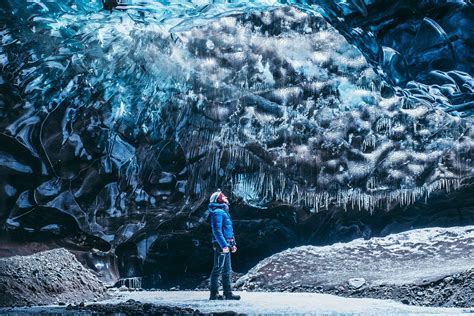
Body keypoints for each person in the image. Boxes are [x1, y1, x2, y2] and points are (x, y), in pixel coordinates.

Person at [208, 190, 241, 300]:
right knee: (217, 269)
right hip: (220, 245)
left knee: (227, 270)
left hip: (226, 245)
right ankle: (214, 294)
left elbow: (228, 231)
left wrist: (232, 244)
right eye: (223, 196)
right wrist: (223, 245)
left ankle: (228, 293)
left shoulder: (223, 212)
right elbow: (217, 231)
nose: (226, 197)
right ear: (219, 199)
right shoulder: (217, 212)